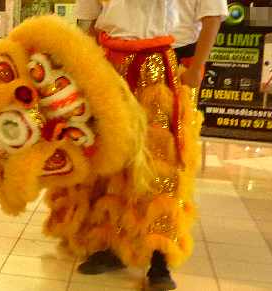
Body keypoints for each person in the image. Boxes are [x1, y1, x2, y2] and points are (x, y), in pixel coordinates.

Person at [75, 0, 209, 290]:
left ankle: (160, 258)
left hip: (155, 67)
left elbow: (214, 12)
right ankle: (110, 246)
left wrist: (197, 65)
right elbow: (88, 22)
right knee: (109, 159)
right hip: (108, 65)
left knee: (160, 163)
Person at [172, 0, 227, 87]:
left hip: (183, 52)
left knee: (181, 99)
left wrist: (195, 68)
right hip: (146, 46)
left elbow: (213, 19)